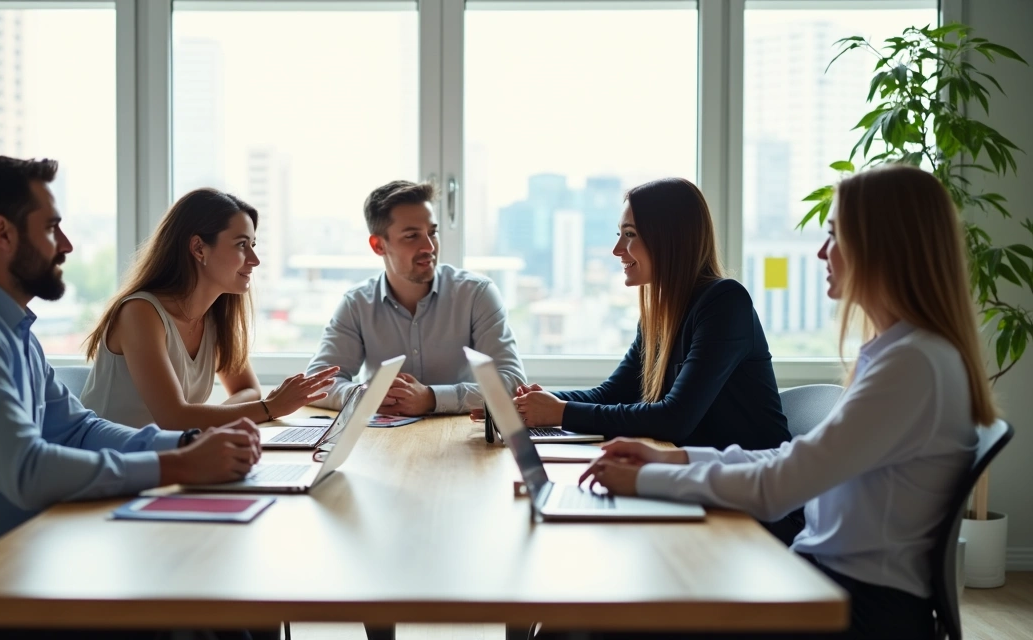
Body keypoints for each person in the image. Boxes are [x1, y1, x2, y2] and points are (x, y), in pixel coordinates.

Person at [582, 164, 996, 639]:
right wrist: (669, 459)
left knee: (611, 619)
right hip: (825, 580)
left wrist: (646, 478)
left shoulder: (912, 366)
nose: (821, 252)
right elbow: (789, 459)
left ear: (883, 247)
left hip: (856, 609)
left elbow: (778, 487)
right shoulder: (900, 355)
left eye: (834, 235)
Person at [0, 157, 261, 640]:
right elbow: (27, 471)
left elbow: (79, 429)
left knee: (230, 606)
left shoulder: (11, 331)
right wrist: (179, 465)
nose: (66, 244)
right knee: (197, 617)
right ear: (2, 234)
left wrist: (187, 443)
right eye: (51, 228)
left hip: (28, 544)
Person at [511, 177, 802, 543]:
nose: (617, 249)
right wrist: (530, 406)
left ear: (669, 239)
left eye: (630, 235)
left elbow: (673, 419)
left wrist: (560, 412)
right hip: (698, 489)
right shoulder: (660, 312)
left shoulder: (725, 302)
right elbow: (611, 393)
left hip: (754, 506)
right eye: (620, 234)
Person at [80, 188, 337, 429]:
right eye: (241, 245)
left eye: (253, 245)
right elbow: (173, 418)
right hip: (111, 457)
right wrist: (268, 408)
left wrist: (212, 418)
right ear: (199, 248)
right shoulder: (140, 313)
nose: (255, 260)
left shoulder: (212, 318)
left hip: (165, 454)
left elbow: (248, 390)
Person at [305, 179, 526, 416]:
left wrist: (432, 398)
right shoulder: (356, 304)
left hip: (460, 433)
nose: (429, 247)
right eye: (412, 236)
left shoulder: (476, 294)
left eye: (432, 233)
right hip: (381, 435)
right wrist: (366, 395)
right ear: (378, 245)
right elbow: (316, 384)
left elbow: (512, 382)